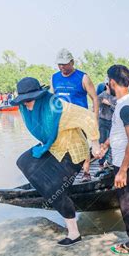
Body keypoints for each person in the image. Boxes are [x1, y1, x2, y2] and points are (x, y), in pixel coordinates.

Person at [11, 77, 100, 246]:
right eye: (23, 101)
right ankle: (56, 190)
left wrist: (95, 144)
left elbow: (88, 117)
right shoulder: (26, 109)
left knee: (55, 190)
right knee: (24, 161)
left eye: (30, 100)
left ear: (39, 97)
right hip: (53, 147)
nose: (27, 104)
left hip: (73, 151)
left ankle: (74, 233)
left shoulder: (58, 107)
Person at [99, 65, 129, 255]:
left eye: (107, 80)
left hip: (128, 163)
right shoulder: (124, 103)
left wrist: (122, 170)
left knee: (127, 203)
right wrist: (107, 144)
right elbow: (121, 131)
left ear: (112, 82)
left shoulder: (126, 106)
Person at [51, 48, 99, 182]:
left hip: (80, 118)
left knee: (83, 145)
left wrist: (94, 117)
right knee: (63, 146)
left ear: (72, 62)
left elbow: (94, 97)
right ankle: (65, 174)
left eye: (65, 64)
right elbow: (53, 98)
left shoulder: (83, 77)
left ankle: (86, 173)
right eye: (59, 64)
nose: (62, 67)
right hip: (62, 119)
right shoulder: (54, 77)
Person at [97, 80, 115, 168]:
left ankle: (110, 162)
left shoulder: (117, 96)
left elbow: (118, 108)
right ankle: (101, 163)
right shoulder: (101, 95)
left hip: (113, 121)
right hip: (102, 120)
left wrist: (109, 103)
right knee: (102, 141)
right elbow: (95, 106)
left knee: (112, 141)